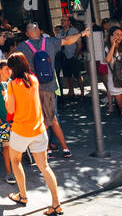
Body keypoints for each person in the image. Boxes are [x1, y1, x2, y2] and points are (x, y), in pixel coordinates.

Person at [3, 52, 63, 216]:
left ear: (12, 68)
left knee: (15, 161)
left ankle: (22, 195)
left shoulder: (12, 84)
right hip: (39, 130)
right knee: (44, 166)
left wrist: (6, 96)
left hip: (21, 130)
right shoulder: (34, 80)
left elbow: (10, 109)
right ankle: (56, 204)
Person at [15, 22, 85, 157]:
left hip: (33, 88)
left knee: (40, 119)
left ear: (27, 34)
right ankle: (65, 148)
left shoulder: (23, 47)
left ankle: (47, 149)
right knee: (52, 119)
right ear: (39, 32)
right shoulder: (49, 42)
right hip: (50, 86)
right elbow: (68, 40)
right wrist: (82, 34)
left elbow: (14, 63)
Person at [0, 59, 13, 183]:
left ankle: (16, 169)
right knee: (5, 146)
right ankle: (8, 171)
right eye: (6, 69)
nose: (9, 71)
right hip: (3, 121)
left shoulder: (13, 83)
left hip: (15, 121)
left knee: (15, 147)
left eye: (10, 69)